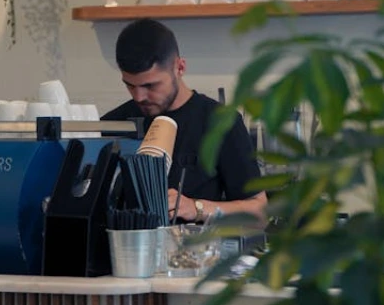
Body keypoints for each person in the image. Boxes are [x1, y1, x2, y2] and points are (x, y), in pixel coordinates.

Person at [101, 19, 267, 225]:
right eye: (130, 86)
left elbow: (259, 211)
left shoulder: (221, 122)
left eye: (150, 85)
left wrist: (197, 208)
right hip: (126, 252)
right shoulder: (112, 125)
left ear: (180, 67)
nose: (139, 96)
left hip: (197, 252)